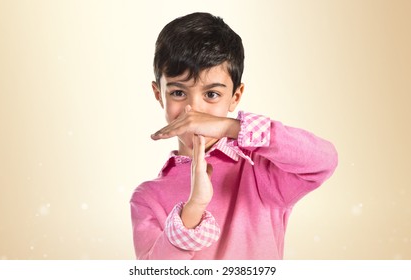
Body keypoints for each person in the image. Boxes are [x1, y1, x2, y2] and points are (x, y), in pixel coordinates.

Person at [130, 12, 338, 260]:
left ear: (235, 97)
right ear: (158, 94)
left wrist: (232, 128)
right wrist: (194, 206)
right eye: (177, 92)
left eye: (212, 94)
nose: (193, 110)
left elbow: (323, 160)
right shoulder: (147, 197)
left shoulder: (259, 170)